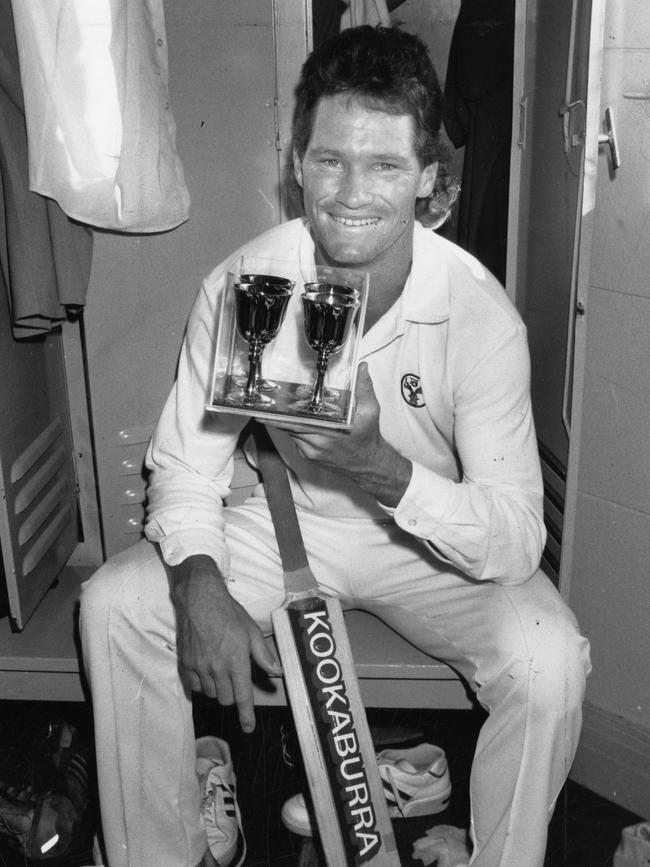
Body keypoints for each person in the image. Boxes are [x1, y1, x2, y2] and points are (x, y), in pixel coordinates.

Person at [80, 24, 591, 867]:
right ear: (296, 164)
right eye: (330, 161)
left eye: (386, 165)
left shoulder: (480, 315)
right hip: (280, 520)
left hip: (421, 538)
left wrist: (381, 467)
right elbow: (184, 467)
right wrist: (200, 581)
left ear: (429, 179)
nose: (351, 192)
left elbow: (513, 541)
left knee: (548, 659)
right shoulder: (246, 284)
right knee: (115, 603)